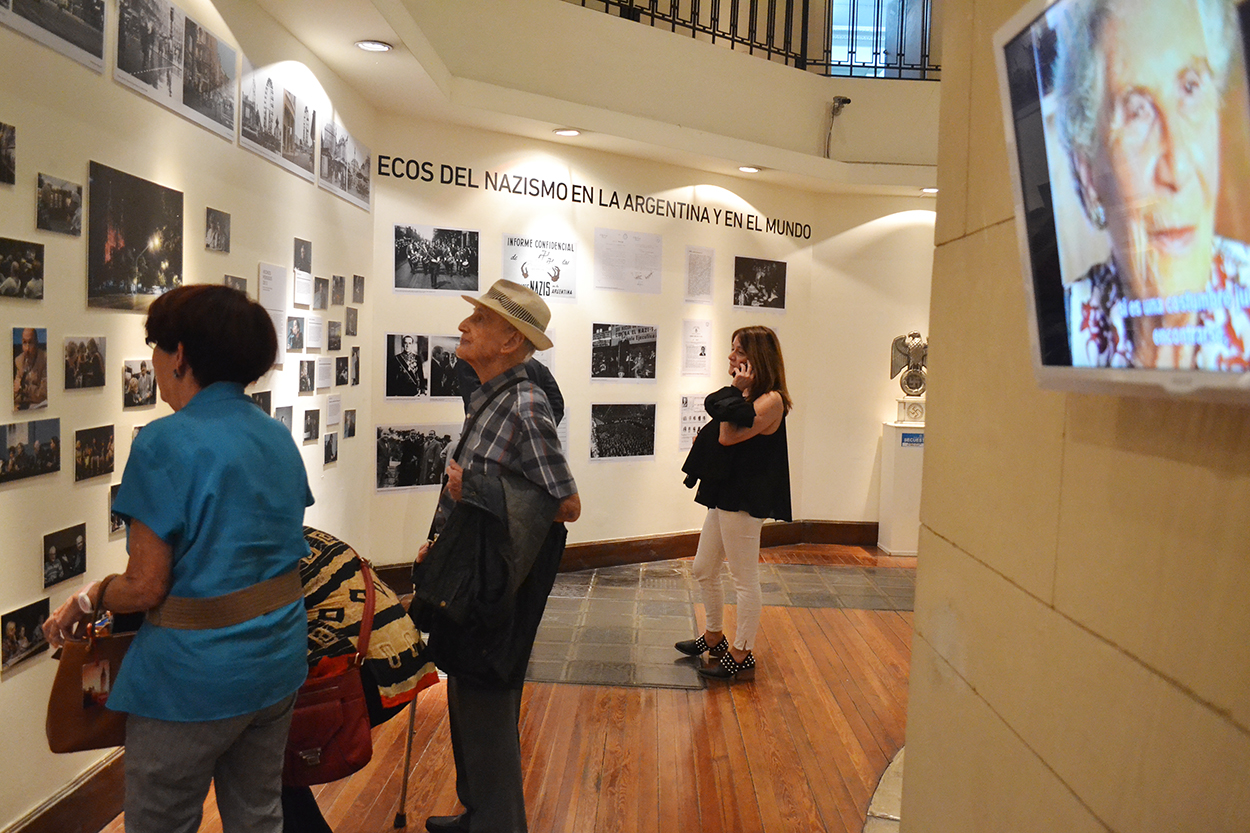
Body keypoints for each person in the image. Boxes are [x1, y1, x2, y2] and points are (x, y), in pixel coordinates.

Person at [42, 284, 313, 833]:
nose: (153, 360)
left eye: (156, 346)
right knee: (259, 815)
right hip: (278, 659)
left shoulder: (164, 442)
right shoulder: (275, 435)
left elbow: (145, 588)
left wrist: (90, 596)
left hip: (194, 679)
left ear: (181, 354)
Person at [416, 279, 580, 833]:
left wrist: (476, 493)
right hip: (472, 573)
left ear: (511, 341)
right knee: (466, 695)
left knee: (485, 703)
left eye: (480, 321)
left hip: (498, 583)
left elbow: (566, 503)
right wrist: (441, 542)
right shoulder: (491, 400)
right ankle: (479, 812)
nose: (465, 327)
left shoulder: (525, 406)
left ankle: (500, 822)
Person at [1057, 0, 1250, 369]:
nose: (1177, 170)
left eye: (1191, 89)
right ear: (1089, 175)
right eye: (1136, 111)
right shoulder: (1065, 324)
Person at [677, 326, 793, 682]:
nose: (730, 358)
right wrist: (737, 395)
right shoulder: (747, 397)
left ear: (755, 358)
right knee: (702, 568)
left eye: (737, 351)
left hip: (745, 497)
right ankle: (714, 635)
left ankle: (741, 651)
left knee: (744, 579)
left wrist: (737, 393)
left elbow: (727, 436)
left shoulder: (770, 400)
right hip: (726, 493)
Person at [13, 327, 48, 410]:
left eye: (30, 343)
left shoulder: (45, 359)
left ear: (36, 343)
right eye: (24, 343)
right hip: (25, 406)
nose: (27, 348)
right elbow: (15, 394)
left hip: (40, 407)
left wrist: (23, 388)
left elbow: (42, 394)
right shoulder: (19, 361)